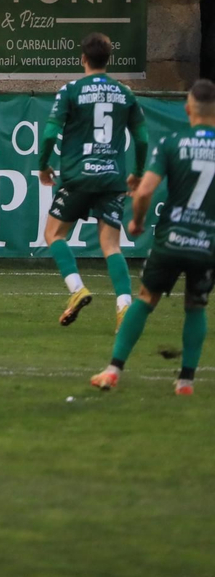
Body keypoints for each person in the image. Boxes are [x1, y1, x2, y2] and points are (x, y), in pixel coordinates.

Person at [91, 80, 215, 394]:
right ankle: (185, 381)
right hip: (207, 242)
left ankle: (113, 370)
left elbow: (144, 190)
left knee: (146, 299)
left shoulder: (173, 142)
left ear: (187, 109)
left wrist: (137, 223)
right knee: (196, 306)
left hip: (172, 238)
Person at [38, 33, 146, 328]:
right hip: (111, 177)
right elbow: (142, 138)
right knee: (111, 246)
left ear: (83, 59)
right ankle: (124, 305)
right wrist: (137, 171)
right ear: (108, 60)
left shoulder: (71, 91)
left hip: (78, 176)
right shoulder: (125, 93)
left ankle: (77, 289)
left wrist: (43, 166)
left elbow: (49, 134)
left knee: (54, 234)